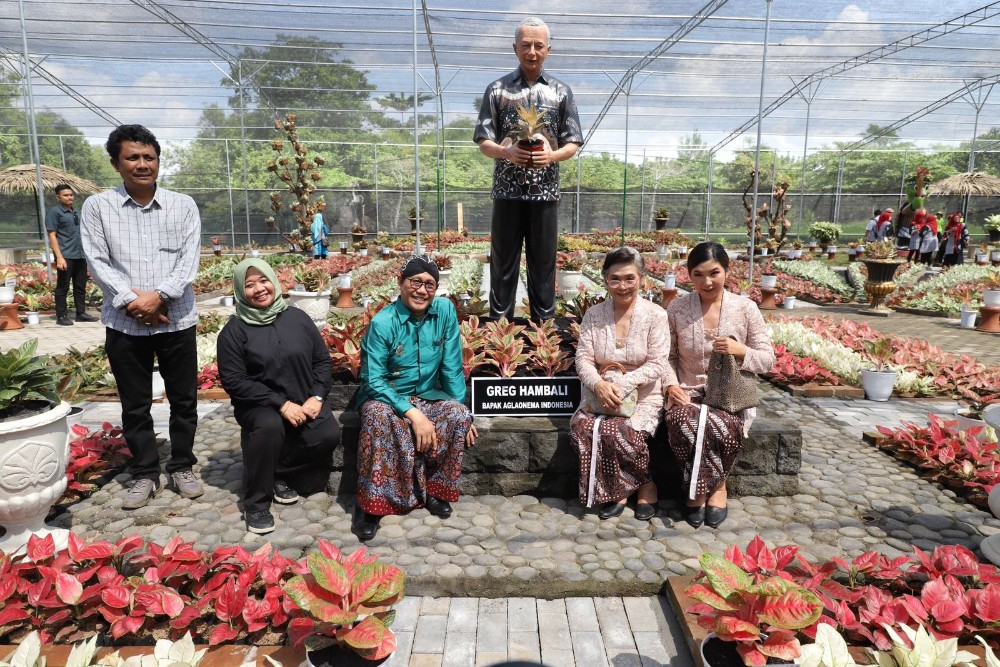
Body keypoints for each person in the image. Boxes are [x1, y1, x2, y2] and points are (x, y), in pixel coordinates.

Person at [81, 124, 204, 510]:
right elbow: (97, 262)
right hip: (124, 324)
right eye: (132, 157)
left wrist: (160, 297)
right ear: (116, 164)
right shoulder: (97, 207)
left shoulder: (183, 205)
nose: (141, 164)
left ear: (158, 161)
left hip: (177, 319)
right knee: (135, 404)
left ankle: (182, 464)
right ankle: (146, 473)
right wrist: (134, 302)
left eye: (148, 157)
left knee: (184, 399)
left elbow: (188, 261)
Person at [352, 256, 477, 541]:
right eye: (415, 282)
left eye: (429, 284)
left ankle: (433, 490)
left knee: (456, 415)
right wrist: (412, 413)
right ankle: (371, 505)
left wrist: (464, 412)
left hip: (429, 395)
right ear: (401, 283)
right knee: (376, 417)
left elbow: (451, 366)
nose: (422, 290)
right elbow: (373, 380)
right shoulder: (384, 322)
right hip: (385, 397)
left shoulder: (444, 311)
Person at [216, 259, 340, 534]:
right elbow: (235, 381)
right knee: (269, 426)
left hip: (303, 397)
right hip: (259, 405)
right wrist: (280, 404)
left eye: (263, 281)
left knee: (328, 434)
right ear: (239, 291)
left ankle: (276, 472)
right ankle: (257, 503)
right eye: (249, 285)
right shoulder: (234, 332)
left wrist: (317, 397)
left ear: (274, 281)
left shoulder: (298, 318)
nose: (259, 289)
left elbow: (322, 361)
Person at [474, 16, 583, 322]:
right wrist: (506, 152)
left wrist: (552, 157)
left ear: (548, 50)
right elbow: (483, 140)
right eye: (526, 45)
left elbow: (573, 141)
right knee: (503, 263)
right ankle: (499, 329)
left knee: (543, 265)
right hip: (507, 192)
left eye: (538, 45)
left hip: (545, 194)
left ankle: (544, 331)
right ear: (515, 48)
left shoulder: (561, 92)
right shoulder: (497, 90)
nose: (532, 51)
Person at [662, 242, 775, 530]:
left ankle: (717, 488)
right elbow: (667, 357)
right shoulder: (677, 308)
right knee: (681, 421)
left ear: (727, 271)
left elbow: (767, 360)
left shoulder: (745, 308)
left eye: (714, 272)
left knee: (722, 423)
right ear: (689, 275)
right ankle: (700, 491)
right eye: (698, 274)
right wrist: (671, 385)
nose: (707, 281)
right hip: (688, 390)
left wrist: (740, 350)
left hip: (731, 393)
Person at [570, 247, 669, 521]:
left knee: (626, 432)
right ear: (605, 279)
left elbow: (658, 363)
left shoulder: (656, 315)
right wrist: (599, 385)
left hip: (644, 396)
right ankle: (620, 490)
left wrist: (623, 385)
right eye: (615, 279)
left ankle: (644, 485)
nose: (622, 286)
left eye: (629, 278)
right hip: (597, 395)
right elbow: (583, 359)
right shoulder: (594, 314)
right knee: (583, 427)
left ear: (642, 279)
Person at [45, 184, 98, 326]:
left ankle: (80, 313)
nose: (70, 197)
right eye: (66, 195)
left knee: (80, 285)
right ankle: (61, 316)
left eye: (71, 195)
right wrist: (59, 257)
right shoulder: (54, 212)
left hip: (80, 254)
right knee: (63, 286)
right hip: (65, 255)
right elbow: (52, 235)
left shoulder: (76, 212)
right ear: (58, 197)